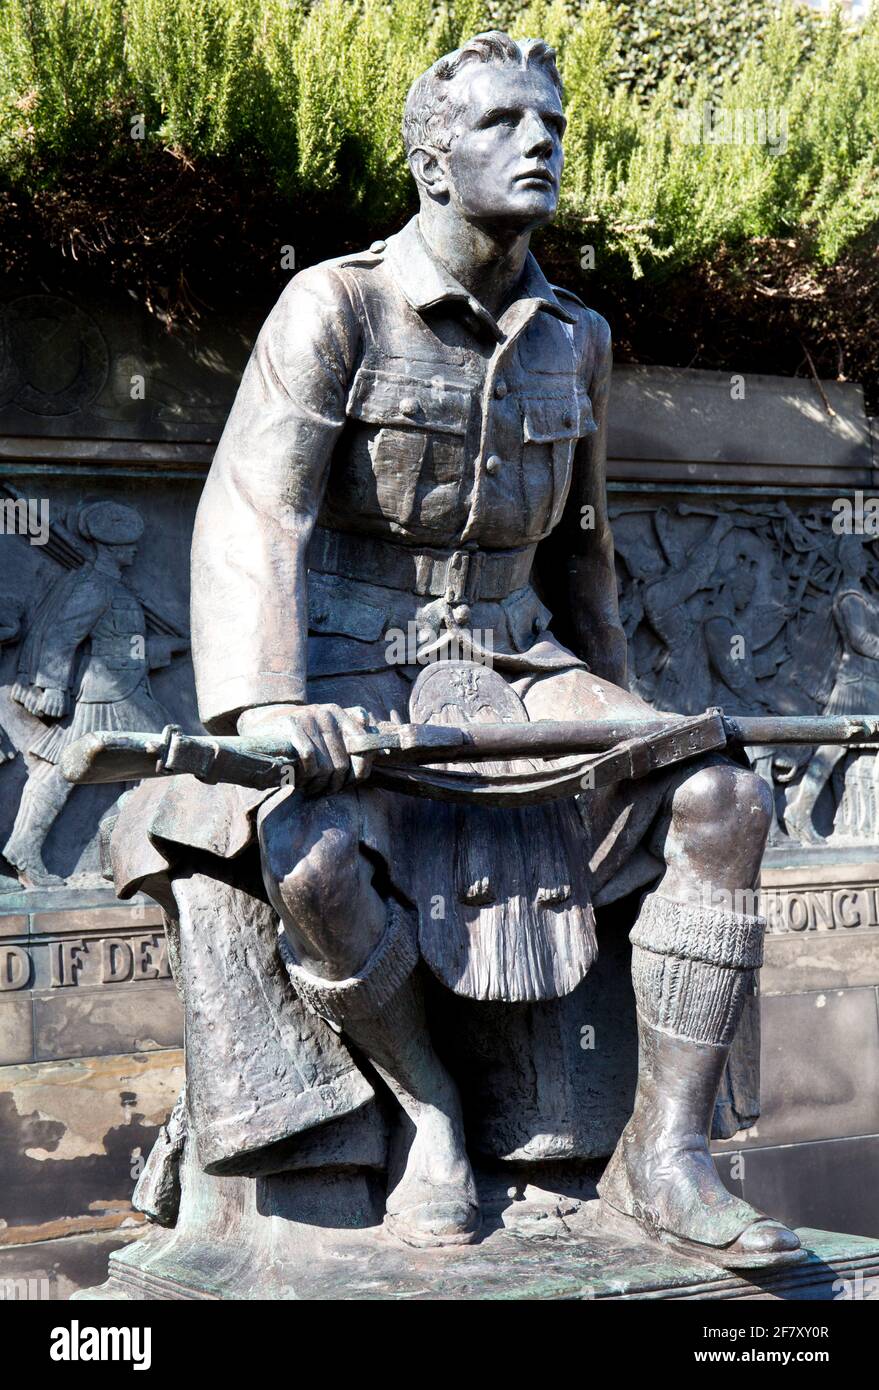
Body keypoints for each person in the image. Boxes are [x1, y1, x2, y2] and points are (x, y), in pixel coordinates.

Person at [118, 32, 801, 1267]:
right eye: (502, 123)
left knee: (722, 797)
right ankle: (429, 1108)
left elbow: (581, 546)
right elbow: (257, 510)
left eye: (550, 120)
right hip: (344, 661)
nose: (540, 141)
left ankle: (669, 1153)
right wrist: (267, 706)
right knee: (310, 854)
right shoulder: (335, 304)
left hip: (521, 666)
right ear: (433, 163)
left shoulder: (575, 337)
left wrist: (636, 725)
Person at [4, 501, 186, 887]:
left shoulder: (110, 586)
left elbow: (117, 646)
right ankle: (168, 851)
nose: (136, 551)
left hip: (123, 689)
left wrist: (161, 650)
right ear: (111, 548)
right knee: (171, 760)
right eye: (127, 546)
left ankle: (138, 851)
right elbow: (62, 636)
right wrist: (51, 686)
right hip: (111, 696)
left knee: (71, 770)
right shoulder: (95, 587)